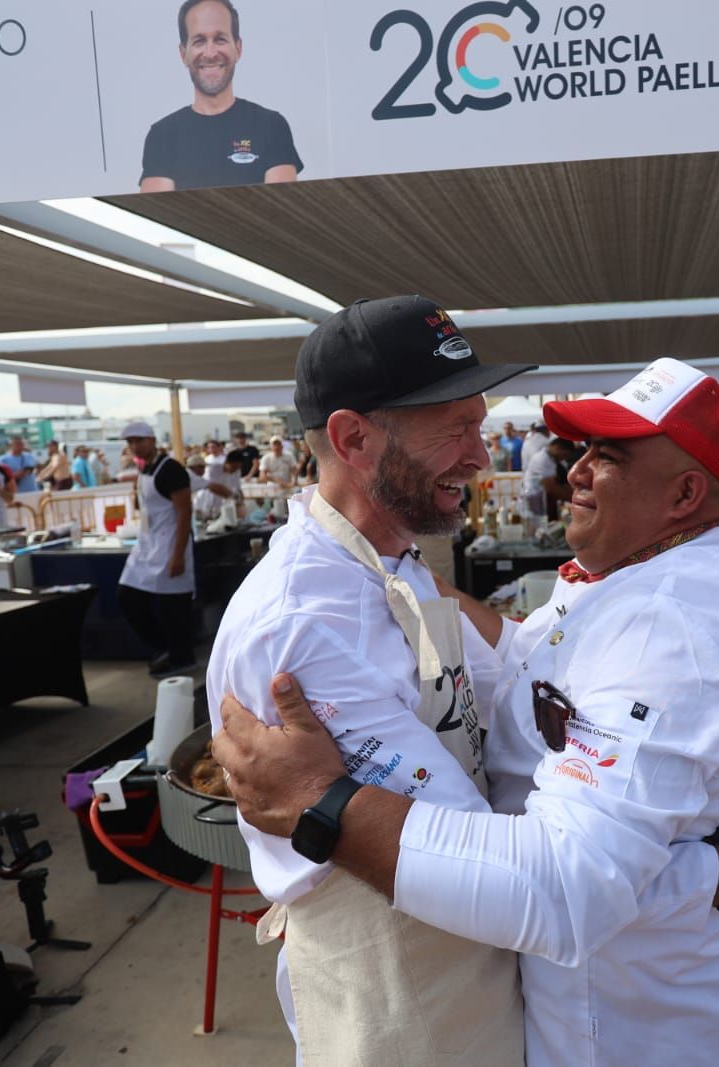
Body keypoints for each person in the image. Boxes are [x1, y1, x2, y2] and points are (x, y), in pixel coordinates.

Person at [211, 345, 719, 1067]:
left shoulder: (669, 626)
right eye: (454, 429)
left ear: (683, 497)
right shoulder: (636, 569)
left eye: (607, 455)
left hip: (635, 1022)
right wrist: (407, 584)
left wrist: (323, 803)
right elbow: (532, 663)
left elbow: (563, 886)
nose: (571, 468)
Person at [202, 296, 535, 1060]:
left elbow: (509, 678)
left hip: (463, 950)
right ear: (353, 437)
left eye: (479, 427)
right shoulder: (303, 624)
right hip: (399, 976)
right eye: (456, 430)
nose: (481, 457)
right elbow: (464, 858)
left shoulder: (395, 562)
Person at [139, 0, 302, 192]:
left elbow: (278, 210)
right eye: (199, 41)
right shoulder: (162, 136)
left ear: (238, 48)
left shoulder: (271, 127)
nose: (210, 53)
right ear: (183, 54)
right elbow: (160, 213)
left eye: (220, 39)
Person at [116, 421, 196, 677]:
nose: (135, 446)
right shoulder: (145, 469)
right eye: (130, 442)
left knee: (174, 609)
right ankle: (164, 649)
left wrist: (178, 554)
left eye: (139, 440)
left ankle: (181, 658)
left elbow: (185, 511)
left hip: (171, 544)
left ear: (152, 440)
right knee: (127, 595)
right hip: (148, 545)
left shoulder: (170, 469)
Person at [520, 436, 577, 523]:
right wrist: (574, 499)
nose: (564, 458)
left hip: (544, 500)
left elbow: (563, 483)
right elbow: (551, 487)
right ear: (557, 448)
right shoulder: (542, 459)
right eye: (564, 455)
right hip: (535, 501)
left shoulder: (554, 460)